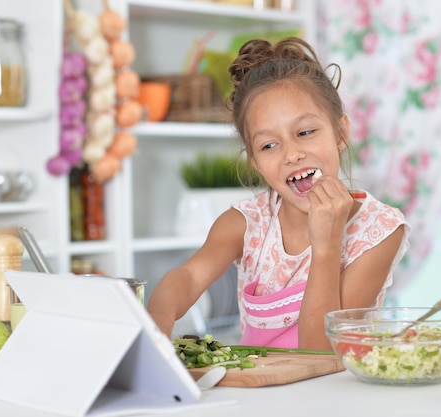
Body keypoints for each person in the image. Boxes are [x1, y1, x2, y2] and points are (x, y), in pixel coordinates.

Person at [147, 37, 411, 350]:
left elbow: (321, 355)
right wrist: (157, 321)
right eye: (269, 145)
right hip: (259, 395)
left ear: (340, 134)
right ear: (256, 162)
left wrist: (326, 245)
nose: (291, 154)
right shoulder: (246, 224)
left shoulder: (379, 231)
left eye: (305, 132)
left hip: (336, 395)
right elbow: (188, 278)